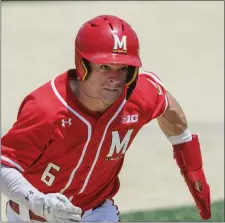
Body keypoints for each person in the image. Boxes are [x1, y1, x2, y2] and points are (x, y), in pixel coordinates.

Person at [1, 14, 211, 222]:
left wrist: (192, 167)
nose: (115, 78)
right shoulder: (46, 109)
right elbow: (4, 166)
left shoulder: (137, 96)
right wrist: (39, 202)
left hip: (97, 213)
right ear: (83, 66)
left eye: (123, 69)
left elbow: (166, 103)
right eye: (104, 67)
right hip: (34, 217)